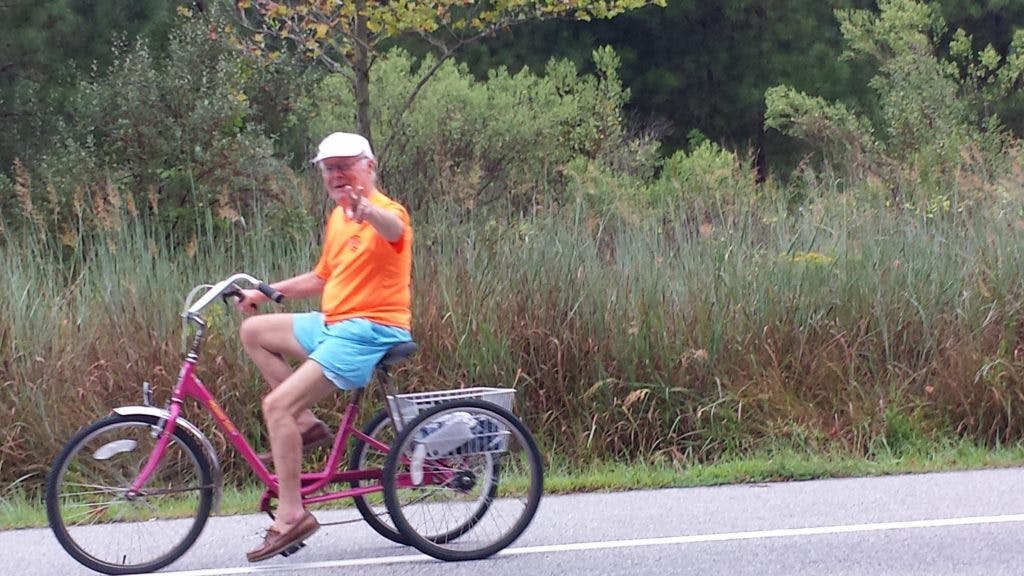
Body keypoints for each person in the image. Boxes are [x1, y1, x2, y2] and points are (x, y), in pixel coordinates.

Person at [234, 132, 413, 562]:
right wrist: (265, 291)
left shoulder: (386, 212)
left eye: (345, 165)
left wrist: (368, 211)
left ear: (369, 167)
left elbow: (395, 229)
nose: (336, 174)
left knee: (276, 406)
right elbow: (321, 279)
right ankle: (307, 424)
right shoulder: (338, 218)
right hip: (333, 324)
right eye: (328, 168)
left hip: (368, 330)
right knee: (254, 332)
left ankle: (292, 515)